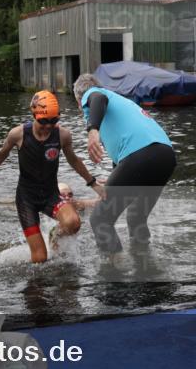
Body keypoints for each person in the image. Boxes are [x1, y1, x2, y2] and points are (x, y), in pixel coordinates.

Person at [0, 90, 101, 264]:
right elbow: (1, 155)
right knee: (40, 259)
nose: (48, 125)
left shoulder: (63, 135)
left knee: (73, 223)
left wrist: (93, 183)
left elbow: (74, 161)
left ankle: (55, 235)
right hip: (26, 199)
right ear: (34, 115)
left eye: (54, 120)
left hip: (50, 195)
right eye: (44, 121)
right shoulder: (18, 134)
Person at [73, 73, 177, 257]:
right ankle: (143, 263)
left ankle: (115, 270)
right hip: (165, 157)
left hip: (141, 155)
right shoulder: (121, 103)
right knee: (136, 217)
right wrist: (117, 176)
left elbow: (97, 98)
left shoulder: (94, 94)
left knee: (100, 219)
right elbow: (121, 154)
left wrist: (93, 130)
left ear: (79, 100)